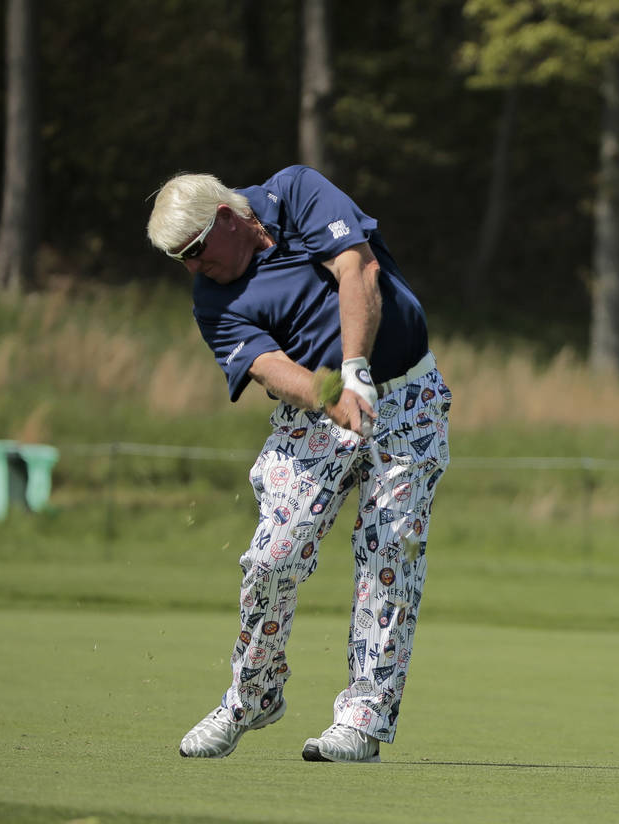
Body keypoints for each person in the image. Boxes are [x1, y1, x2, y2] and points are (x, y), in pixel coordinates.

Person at [146, 165, 452, 763]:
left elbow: (357, 268)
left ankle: (363, 720)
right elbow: (265, 366)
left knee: (390, 556)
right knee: (272, 557)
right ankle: (253, 695)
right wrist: (334, 391)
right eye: (178, 258)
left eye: (195, 249)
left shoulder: (294, 194)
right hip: (315, 414)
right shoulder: (212, 298)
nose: (191, 267)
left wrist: (358, 368)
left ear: (229, 218)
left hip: (410, 399)